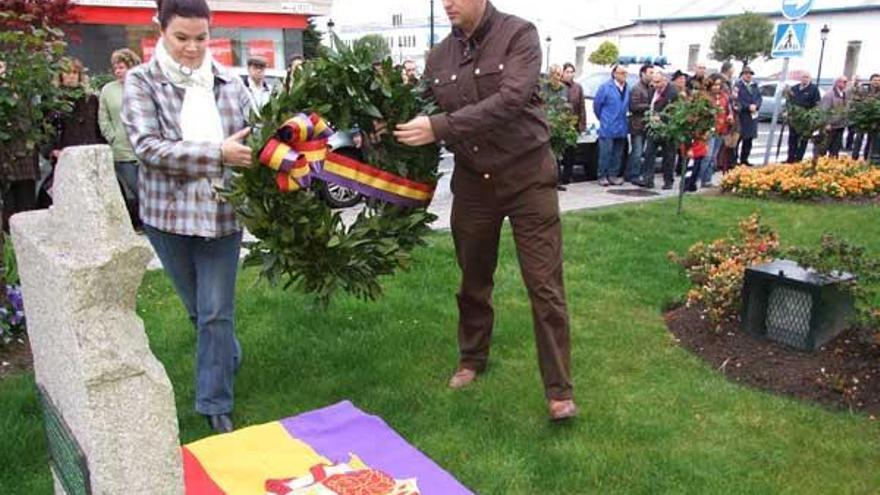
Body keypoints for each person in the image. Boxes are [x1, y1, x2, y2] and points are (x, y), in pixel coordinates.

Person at [394, 0, 576, 421]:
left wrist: (439, 127)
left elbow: (510, 101)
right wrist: (389, 124)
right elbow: (420, 107)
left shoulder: (519, 35)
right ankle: (472, 358)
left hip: (528, 177)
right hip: (474, 183)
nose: (448, 3)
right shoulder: (438, 55)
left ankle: (559, 390)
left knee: (544, 284)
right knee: (473, 278)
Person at [122, 0, 254, 434]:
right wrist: (217, 152)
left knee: (216, 311)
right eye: (182, 38)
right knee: (201, 314)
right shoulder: (141, 82)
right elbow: (148, 147)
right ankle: (226, 357)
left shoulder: (231, 83)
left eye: (201, 38)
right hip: (167, 219)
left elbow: (257, 132)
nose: (193, 48)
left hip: (221, 217)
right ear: (160, 29)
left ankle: (214, 404)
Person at [42, 57, 106, 205]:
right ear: (60, 76)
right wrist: (51, 150)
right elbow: (45, 129)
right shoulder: (53, 101)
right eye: (67, 72)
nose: (71, 76)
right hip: (64, 154)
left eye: (74, 73)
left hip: (88, 153)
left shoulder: (91, 99)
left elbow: (98, 127)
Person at [99, 48, 143, 230]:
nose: (118, 71)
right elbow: (103, 118)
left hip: (145, 149)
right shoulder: (108, 90)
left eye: (122, 67)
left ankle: (152, 227)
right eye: (115, 68)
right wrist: (112, 137)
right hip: (122, 151)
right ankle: (145, 225)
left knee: (151, 191)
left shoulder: (144, 86)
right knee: (137, 190)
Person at [0, 59, 41, 232]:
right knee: (8, 207)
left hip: (25, 155)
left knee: (27, 207)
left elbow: (33, 123)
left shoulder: (23, 94)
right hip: (4, 159)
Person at [638, 70, 678, 189]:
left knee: (668, 156)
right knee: (649, 154)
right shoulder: (651, 90)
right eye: (653, 82)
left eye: (658, 82)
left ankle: (668, 181)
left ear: (664, 81)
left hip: (667, 128)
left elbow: (673, 111)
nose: (655, 84)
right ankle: (648, 179)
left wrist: (660, 117)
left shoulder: (672, 92)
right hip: (653, 128)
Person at [593, 64, 630, 186]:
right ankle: (602, 175)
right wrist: (604, 119)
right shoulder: (605, 87)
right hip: (608, 125)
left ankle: (613, 175)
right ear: (614, 74)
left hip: (621, 126)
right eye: (621, 73)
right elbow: (597, 106)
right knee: (605, 153)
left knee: (617, 153)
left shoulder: (627, 88)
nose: (624, 76)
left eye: (625, 73)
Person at [557, 62, 586, 190]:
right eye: (567, 72)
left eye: (571, 72)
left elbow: (581, 107)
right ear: (563, 73)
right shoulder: (558, 86)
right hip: (560, 125)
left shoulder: (578, 88)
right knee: (558, 153)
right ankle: (557, 178)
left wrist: (582, 125)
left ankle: (567, 177)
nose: (569, 74)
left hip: (573, 126)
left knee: (571, 153)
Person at [625, 64, 654, 184]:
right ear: (642, 74)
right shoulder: (636, 88)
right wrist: (649, 106)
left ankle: (633, 172)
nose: (652, 75)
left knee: (642, 151)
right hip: (637, 125)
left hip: (647, 125)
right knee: (637, 151)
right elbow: (633, 106)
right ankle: (633, 174)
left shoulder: (651, 88)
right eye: (650, 73)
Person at [703, 75, 734, 184]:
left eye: (719, 85)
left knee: (714, 156)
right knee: (708, 155)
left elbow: (728, 110)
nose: (717, 87)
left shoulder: (724, 96)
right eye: (715, 85)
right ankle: (701, 178)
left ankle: (707, 180)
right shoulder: (705, 97)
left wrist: (730, 117)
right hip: (709, 129)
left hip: (721, 129)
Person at [785, 73, 820, 163]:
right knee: (792, 139)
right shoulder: (794, 88)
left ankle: (798, 159)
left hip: (805, 120)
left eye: (807, 77)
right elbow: (788, 102)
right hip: (794, 120)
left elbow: (817, 105)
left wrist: (812, 116)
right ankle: (790, 158)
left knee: (803, 141)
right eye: (803, 77)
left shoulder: (814, 89)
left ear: (810, 79)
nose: (805, 79)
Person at [735, 66, 761, 166]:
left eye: (750, 74)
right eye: (746, 74)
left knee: (748, 140)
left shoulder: (755, 86)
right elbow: (738, 100)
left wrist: (756, 106)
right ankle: (734, 160)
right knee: (738, 140)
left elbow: (759, 98)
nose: (749, 75)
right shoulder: (738, 86)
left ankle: (744, 160)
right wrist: (747, 106)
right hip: (742, 116)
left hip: (752, 117)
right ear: (742, 75)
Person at [850, 74, 880, 160]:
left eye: (878, 80)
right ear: (870, 81)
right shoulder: (863, 89)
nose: (876, 82)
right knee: (859, 138)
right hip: (862, 119)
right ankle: (854, 157)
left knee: (871, 141)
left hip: (875, 120)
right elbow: (856, 101)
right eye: (875, 80)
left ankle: (867, 158)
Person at [820, 75, 849, 157]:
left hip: (840, 125)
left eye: (846, 82)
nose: (846, 84)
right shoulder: (829, 95)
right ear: (837, 82)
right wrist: (827, 123)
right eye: (844, 82)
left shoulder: (844, 94)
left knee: (835, 149)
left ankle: (832, 165)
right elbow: (824, 110)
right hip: (830, 127)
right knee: (823, 148)